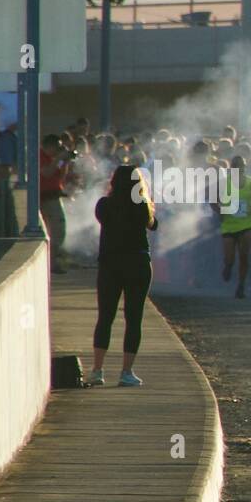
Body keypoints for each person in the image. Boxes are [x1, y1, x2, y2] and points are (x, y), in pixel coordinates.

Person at [87, 165, 158, 387]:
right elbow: (153, 225)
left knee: (105, 317)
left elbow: (104, 219)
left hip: (110, 263)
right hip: (137, 263)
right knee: (133, 318)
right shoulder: (142, 206)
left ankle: (97, 370)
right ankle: (126, 372)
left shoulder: (104, 205)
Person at [216, 154, 251, 298]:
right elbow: (213, 200)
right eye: (235, 166)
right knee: (229, 257)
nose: (238, 168)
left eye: (240, 166)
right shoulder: (223, 183)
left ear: (244, 168)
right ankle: (228, 266)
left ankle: (241, 285)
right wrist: (220, 212)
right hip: (229, 224)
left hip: (246, 224)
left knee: (244, 256)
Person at [37, 134, 72, 273]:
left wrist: (65, 161)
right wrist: (59, 158)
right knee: (54, 229)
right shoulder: (39, 156)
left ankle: (52, 260)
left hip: (53, 196)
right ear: (49, 146)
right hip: (43, 198)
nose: (58, 150)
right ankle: (49, 262)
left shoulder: (53, 159)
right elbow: (46, 173)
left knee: (58, 230)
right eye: (56, 148)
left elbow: (59, 175)